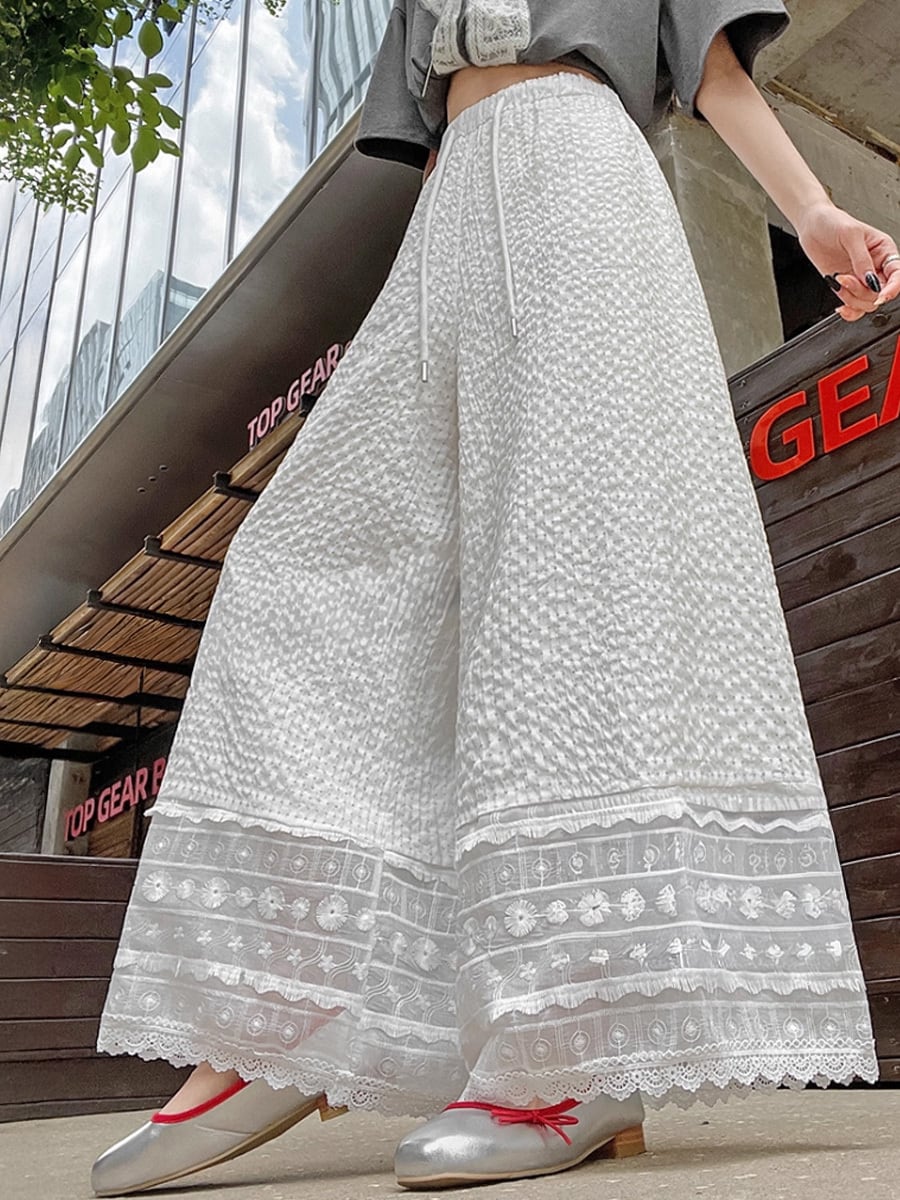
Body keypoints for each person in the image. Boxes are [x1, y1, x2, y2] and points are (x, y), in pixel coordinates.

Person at [90, 2, 893, 1194]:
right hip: (453, 216)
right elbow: (432, 132)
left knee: (568, 572)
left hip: (582, 179)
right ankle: (295, 1007)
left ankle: (579, 1036)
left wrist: (814, 211)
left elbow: (714, 69)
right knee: (300, 559)